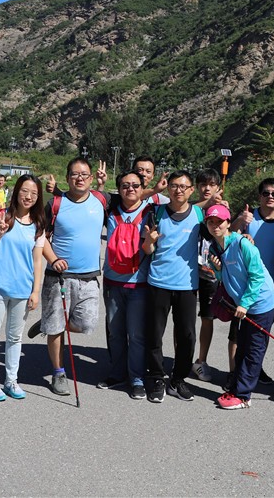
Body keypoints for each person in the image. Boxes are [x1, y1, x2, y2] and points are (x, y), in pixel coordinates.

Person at [0, 175, 54, 401]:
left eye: (34, 193)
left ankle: (11, 380)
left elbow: (38, 260)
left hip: (22, 289)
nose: (28, 196)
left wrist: (35, 291)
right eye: (24, 191)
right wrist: (0, 233)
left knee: (14, 337)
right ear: (16, 192)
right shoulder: (1, 216)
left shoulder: (38, 225)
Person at [38, 158, 107, 397]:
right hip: (58, 277)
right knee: (56, 327)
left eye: (84, 174)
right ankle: (58, 372)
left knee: (87, 323)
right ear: (67, 178)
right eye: (75, 174)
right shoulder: (56, 203)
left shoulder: (101, 200)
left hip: (89, 277)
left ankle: (47, 323)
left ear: (91, 179)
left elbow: (139, 197)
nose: (80, 178)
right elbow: (39, 235)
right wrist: (53, 258)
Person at [204, 204, 274, 410]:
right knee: (243, 347)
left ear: (228, 223)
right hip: (243, 305)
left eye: (219, 221)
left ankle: (243, 396)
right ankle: (236, 388)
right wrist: (218, 271)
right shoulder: (213, 248)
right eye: (211, 221)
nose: (215, 225)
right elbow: (224, 279)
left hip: (261, 303)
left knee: (253, 350)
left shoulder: (243, 244)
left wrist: (245, 304)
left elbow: (257, 276)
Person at [141, 170, 203, 403]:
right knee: (155, 334)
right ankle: (156, 377)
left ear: (191, 190)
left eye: (184, 186)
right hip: (158, 281)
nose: (179, 190)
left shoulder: (198, 213)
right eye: (174, 185)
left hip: (187, 284)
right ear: (168, 188)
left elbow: (220, 234)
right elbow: (147, 250)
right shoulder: (156, 213)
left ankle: (178, 379)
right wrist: (150, 241)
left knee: (187, 335)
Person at [98, 170, 154, 400]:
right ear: (118, 189)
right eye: (125, 186)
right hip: (112, 281)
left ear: (143, 188)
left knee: (137, 334)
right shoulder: (110, 210)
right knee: (115, 332)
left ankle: (138, 379)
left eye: (135, 185)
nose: (130, 189)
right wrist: (100, 185)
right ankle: (117, 373)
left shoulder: (152, 212)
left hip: (139, 284)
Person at [229, 177, 274, 385]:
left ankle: (254, 369)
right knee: (237, 334)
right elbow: (228, 236)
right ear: (259, 196)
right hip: (243, 286)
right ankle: (234, 372)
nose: (270, 197)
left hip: (270, 289)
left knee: (260, 335)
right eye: (266, 193)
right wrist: (239, 222)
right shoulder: (248, 216)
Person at [191, 168, 225, 383]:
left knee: (207, 318)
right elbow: (188, 210)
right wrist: (208, 202)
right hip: (186, 272)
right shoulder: (191, 208)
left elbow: (231, 233)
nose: (207, 188)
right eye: (203, 184)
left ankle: (201, 361)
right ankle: (182, 359)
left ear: (217, 187)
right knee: (182, 320)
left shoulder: (222, 210)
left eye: (211, 184)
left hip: (209, 273)